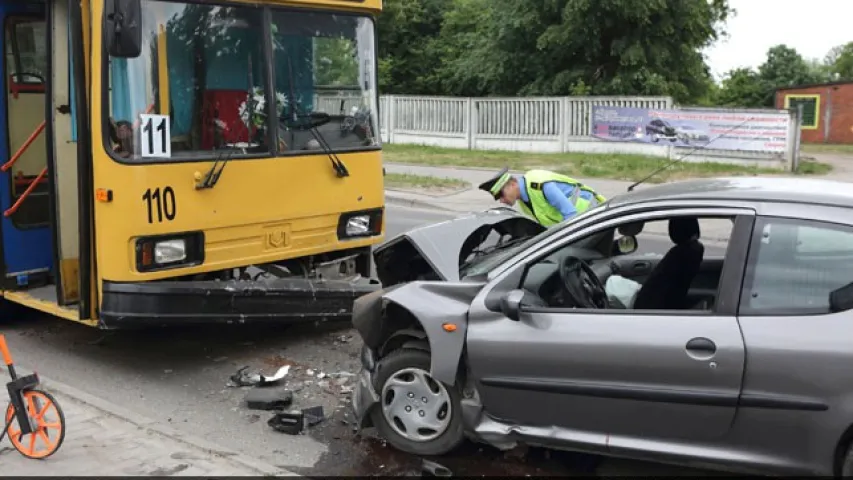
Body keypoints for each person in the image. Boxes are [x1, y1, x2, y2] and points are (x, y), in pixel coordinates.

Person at [478, 167, 606, 227]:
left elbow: (571, 215)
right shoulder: (524, 200)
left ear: (512, 184)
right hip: (582, 221)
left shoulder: (540, 185)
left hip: (592, 215)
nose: (501, 200)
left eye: (501, 194)